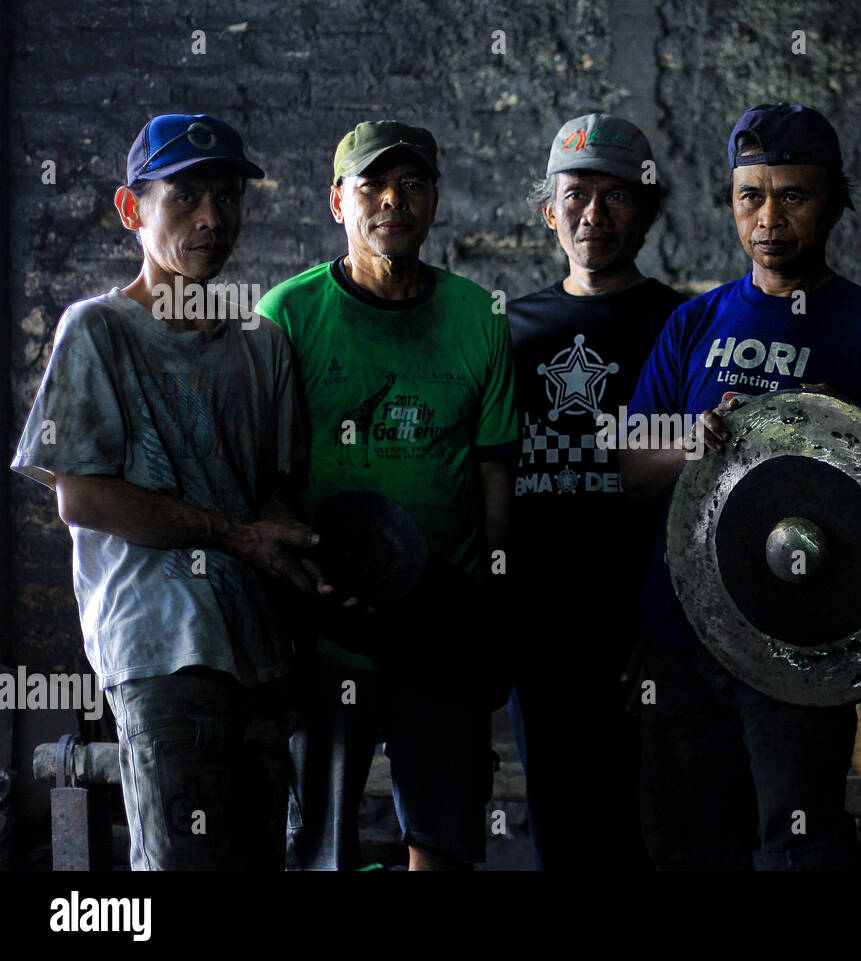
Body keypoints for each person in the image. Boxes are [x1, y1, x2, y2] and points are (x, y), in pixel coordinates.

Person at [621, 102, 861, 870]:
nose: (768, 217)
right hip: (681, 634)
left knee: (797, 849)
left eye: (792, 195)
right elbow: (632, 464)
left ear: (833, 200)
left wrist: (844, 433)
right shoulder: (695, 324)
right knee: (690, 848)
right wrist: (690, 444)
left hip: (805, 650)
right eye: (749, 196)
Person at [11, 113, 318, 870]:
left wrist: (297, 550)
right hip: (162, 658)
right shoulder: (98, 332)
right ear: (131, 210)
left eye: (227, 198)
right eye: (185, 198)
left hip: (259, 661)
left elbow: (272, 493)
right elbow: (80, 496)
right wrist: (236, 536)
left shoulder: (261, 342)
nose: (212, 219)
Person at [256, 120, 518, 871]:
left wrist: (493, 607)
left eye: (414, 185)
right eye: (371, 185)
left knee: (442, 843)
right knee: (322, 849)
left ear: (435, 201)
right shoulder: (288, 314)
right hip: (327, 629)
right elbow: (267, 479)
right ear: (337, 201)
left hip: (444, 621)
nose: (392, 201)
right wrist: (305, 579)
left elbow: (495, 479)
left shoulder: (479, 316)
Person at [506, 113, 684, 870]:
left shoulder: (681, 324)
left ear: (647, 211)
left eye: (617, 198)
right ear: (550, 211)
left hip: (652, 631)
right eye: (576, 195)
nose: (594, 215)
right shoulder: (507, 331)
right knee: (562, 833)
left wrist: (666, 621)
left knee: (658, 832)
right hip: (541, 632)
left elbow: (703, 485)